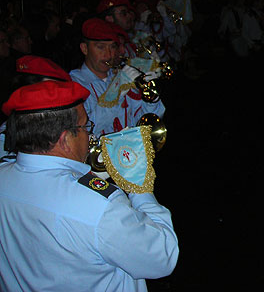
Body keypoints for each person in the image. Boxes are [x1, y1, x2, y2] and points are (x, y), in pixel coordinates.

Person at [0, 80, 178, 290]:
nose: (91, 135)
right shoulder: (101, 207)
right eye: (85, 127)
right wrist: (141, 187)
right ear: (65, 140)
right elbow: (162, 257)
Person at [70, 18, 166, 137]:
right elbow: (84, 131)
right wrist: (115, 92)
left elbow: (143, 122)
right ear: (84, 48)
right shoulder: (74, 84)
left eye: (112, 47)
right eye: (101, 47)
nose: (109, 54)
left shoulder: (120, 76)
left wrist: (151, 96)